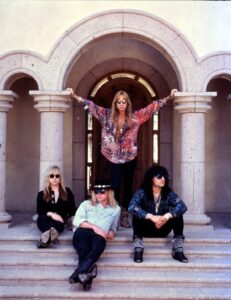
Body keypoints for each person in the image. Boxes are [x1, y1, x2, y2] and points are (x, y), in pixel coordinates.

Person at [67, 87, 177, 228]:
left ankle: (125, 215)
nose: (121, 104)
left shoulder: (135, 117)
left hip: (130, 157)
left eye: (124, 102)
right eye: (118, 102)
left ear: (127, 104)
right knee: (115, 187)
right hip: (113, 158)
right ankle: (116, 215)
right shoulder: (106, 115)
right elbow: (92, 106)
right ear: (115, 103)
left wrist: (169, 97)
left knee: (128, 186)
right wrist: (74, 96)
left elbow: (151, 108)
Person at [128, 164, 188, 263]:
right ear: (151, 178)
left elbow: (182, 206)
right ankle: (138, 249)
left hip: (163, 229)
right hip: (146, 229)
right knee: (136, 214)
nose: (163, 179)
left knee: (178, 214)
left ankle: (178, 249)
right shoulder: (142, 193)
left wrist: (166, 216)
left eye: (164, 176)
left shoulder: (169, 193)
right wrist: (151, 217)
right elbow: (131, 206)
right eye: (159, 177)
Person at [68, 179, 121, 291]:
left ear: (109, 192)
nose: (98, 194)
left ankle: (80, 274)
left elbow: (114, 226)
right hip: (83, 231)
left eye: (102, 191)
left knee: (97, 248)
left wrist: (112, 232)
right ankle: (85, 278)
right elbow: (77, 221)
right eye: (96, 191)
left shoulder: (116, 209)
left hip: (100, 236)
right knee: (83, 249)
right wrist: (95, 227)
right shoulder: (86, 204)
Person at [36, 165, 76, 248]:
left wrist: (71, 220)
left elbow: (72, 209)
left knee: (59, 225)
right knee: (41, 219)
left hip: (59, 221)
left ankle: (45, 240)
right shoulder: (42, 194)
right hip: (45, 219)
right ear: (48, 178)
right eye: (52, 176)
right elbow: (39, 210)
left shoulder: (67, 192)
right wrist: (52, 214)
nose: (54, 178)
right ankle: (51, 237)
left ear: (60, 178)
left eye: (57, 176)